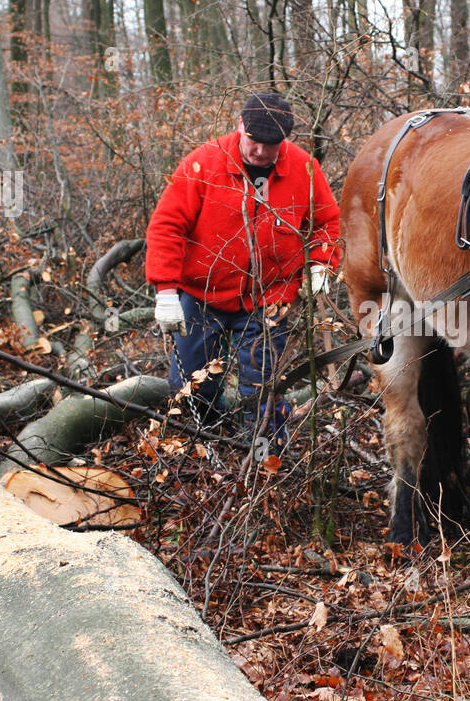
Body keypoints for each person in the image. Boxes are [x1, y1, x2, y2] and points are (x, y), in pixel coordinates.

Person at [145, 92, 340, 446]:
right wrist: (166, 291)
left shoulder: (304, 168)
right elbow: (167, 226)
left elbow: (326, 221)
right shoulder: (204, 163)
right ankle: (204, 445)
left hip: (270, 295)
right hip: (203, 294)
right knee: (192, 386)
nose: (261, 152)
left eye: (271, 144)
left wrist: (320, 264)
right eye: (254, 141)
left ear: (285, 139)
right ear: (240, 127)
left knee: (262, 386)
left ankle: (266, 456)